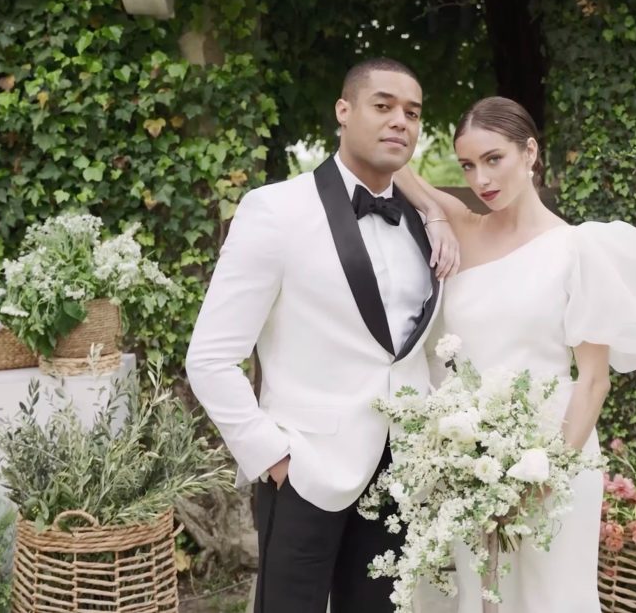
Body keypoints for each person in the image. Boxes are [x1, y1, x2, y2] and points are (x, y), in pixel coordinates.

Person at [185, 57, 459, 613]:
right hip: (306, 469)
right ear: (343, 110)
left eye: (412, 112)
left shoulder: (419, 221)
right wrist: (275, 458)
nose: (399, 122)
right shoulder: (274, 210)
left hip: (399, 475)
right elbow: (210, 358)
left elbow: (417, 352)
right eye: (382, 106)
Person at [395, 96, 636, 612]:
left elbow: (594, 379)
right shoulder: (463, 225)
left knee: (547, 598)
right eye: (468, 165)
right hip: (470, 456)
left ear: (530, 153)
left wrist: (546, 476)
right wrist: (434, 211)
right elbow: (397, 167)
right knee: (472, 596)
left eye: (494, 158)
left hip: (555, 450)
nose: (481, 178)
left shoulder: (579, 249)